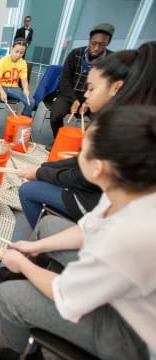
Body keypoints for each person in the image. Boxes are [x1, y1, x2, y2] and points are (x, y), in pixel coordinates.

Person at [0, 105, 156, 360]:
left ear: (98, 167)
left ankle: (19, 354)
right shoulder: (127, 189)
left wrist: (23, 264)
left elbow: (66, 294)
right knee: (47, 227)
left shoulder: (128, 238)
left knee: (8, 297)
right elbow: (88, 227)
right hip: (124, 287)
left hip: (133, 335)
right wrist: (34, 248)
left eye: (83, 150)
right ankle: (32, 269)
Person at [18, 41, 156, 229]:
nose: (86, 95)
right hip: (100, 199)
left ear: (116, 88)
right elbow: (80, 165)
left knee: (29, 190)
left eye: (91, 88)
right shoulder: (129, 118)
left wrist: (42, 173)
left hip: (96, 203)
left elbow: (83, 178)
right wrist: (45, 167)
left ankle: (47, 232)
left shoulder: (116, 129)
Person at [49, 23, 114, 140]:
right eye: (93, 43)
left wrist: (89, 101)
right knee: (55, 114)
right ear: (89, 40)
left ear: (108, 43)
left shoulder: (112, 60)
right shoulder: (75, 54)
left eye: (101, 45)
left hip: (94, 97)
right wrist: (73, 99)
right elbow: (65, 79)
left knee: (101, 123)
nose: (96, 48)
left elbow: (108, 87)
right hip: (71, 94)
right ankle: (59, 140)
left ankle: (83, 146)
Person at [0, 39, 34, 125]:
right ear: (11, 49)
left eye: (21, 53)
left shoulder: (23, 63)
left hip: (13, 87)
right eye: (16, 51)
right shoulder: (3, 61)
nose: (18, 55)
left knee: (31, 102)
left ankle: (21, 123)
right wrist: (2, 92)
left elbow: (24, 79)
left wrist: (26, 89)